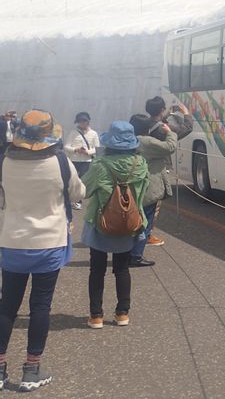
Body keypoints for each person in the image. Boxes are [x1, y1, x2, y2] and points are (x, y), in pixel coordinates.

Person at [0, 109, 85, 391]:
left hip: (12, 241)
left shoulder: (5, 161)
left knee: (7, 305)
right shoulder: (60, 161)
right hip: (48, 243)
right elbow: (77, 193)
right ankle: (31, 370)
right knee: (40, 305)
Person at [81, 121, 149, 329]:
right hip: (129, 222)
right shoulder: (140, 164)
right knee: (121, 269)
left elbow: (85, 189)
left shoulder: (100, 165)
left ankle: (96, 316)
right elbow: (143, 193)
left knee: (97, 269)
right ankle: (122, 313)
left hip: (101, 223)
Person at [128, 114, 177, 267]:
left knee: (131, 220)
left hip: (131, 187)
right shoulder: (146, 142)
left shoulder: (127, 140)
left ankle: (126, 252)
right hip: (147, 189)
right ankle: (135, 256)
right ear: (147, 127)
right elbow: (170, 147)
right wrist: (170, 132)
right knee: (145, 222)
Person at [143, 97, 192, 248]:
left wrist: (166, 114)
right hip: (158, 167)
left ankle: (141, 232)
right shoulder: (163, 129)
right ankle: (147, 234)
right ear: (162, 109)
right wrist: (187, 114)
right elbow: (185, 130)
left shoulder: (143, 124)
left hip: (142, 165)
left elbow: (156, 121)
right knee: (154, 202)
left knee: (142, 200)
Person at [63, 112, 100, 210]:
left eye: (84, 121)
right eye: (80, 121)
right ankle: (69, 199)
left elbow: (97, 148)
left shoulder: (94, 134)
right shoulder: (73, 133)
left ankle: (78, 201)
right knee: (71, 180)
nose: (82, 123)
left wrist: (88, 152)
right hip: (74, 160)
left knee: (82, 181)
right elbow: (66, 146)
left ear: (88, 121)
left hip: (86, 161)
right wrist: (76, 149)